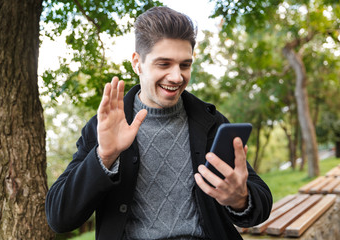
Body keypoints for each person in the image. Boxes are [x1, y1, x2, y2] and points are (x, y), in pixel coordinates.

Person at [45, 6, 272, 240]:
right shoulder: (103, 127)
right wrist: (104, 156)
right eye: (164, 64)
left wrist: (240, 198)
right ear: (137, 63)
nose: (177, 76)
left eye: (185, 65)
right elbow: (59, 218)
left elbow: (261, 205)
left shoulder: (210, 121)